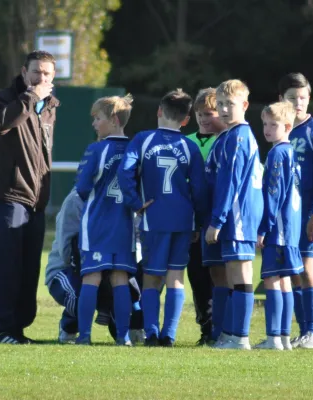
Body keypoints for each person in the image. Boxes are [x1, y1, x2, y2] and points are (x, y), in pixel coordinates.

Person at [118, 89, 207, 347]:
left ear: (159, 111)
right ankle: (169, 335)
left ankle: (152, 333)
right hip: (182, 220)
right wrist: (199, 221)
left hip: (153, 218)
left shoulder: (143, 139)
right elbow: (199, 190)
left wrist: (135, 203)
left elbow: (126, 172)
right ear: (186, 119)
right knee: (176, 277)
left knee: (152, 277)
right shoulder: (190, 146)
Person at [0, 50, 59, 344]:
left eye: (47, 74)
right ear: (24, 71)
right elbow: (1, 123)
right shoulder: (5, 98)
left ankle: (18, 329)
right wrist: (30, 97)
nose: (42, 78)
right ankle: (1, 330)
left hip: (36, 200)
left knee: (29, 269)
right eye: (36, 72)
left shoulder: (51, 106)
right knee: (6, 266)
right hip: (8, 195)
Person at [205, 80, 264, 350]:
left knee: (241, 274)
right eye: (221, 104)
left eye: (231, 104)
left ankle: (240, 336)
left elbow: (231, 181)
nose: (225, 109)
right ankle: (229, 334)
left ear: (245, 105)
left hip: (238, 217)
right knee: (231, 275)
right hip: (231, 217)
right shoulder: (228, 136)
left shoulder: (239, 136)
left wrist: (217, 221)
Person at [44, 187, 145, 345]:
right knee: (81, 297)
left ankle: (128, 325)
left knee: (134, 291)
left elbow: (138, 240)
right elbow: (66, 250)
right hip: (70, 269)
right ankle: (69, 326)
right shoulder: (76, 199)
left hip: (114, 268)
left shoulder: (129, 197)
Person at [74, 95, 138, 346]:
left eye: (97, 118)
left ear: (113, 120)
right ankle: (123, 336)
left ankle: (84, 336)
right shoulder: (135, 149)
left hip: (97, 224)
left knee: (92, 277)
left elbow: (81, 187)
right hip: (125, 225)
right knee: (120, 278)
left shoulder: (96, 149)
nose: (94, 124)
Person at [278, 73, 313, 349]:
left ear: (309, 99)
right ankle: (303, 333)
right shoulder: (283, 132)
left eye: (302, 97)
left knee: (310, 270)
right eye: (292, 98)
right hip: (290, 217)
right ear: (282, 100)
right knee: (296, 271)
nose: (298, 103)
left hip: (311, 214)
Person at [255, 102, 303, 350]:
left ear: (286, 126)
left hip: (279, 230)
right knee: (284, 280)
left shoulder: (276, 154)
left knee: (272, 279)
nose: (267, 129)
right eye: (264, 124)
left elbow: (273, 194)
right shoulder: (291, 152)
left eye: (273, 125)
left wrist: (263, 227)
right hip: (291, 230)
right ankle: (283, 337)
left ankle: (274, 337)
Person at [185, 88, 227, 346]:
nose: (203, 119)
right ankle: (205, 327)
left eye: (209, 113)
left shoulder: (224, 139)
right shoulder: (186, 141)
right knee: (196, 274)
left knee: (218, 273)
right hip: (191, 219)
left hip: (215, 219)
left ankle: (222, 326)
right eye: (199, 114)